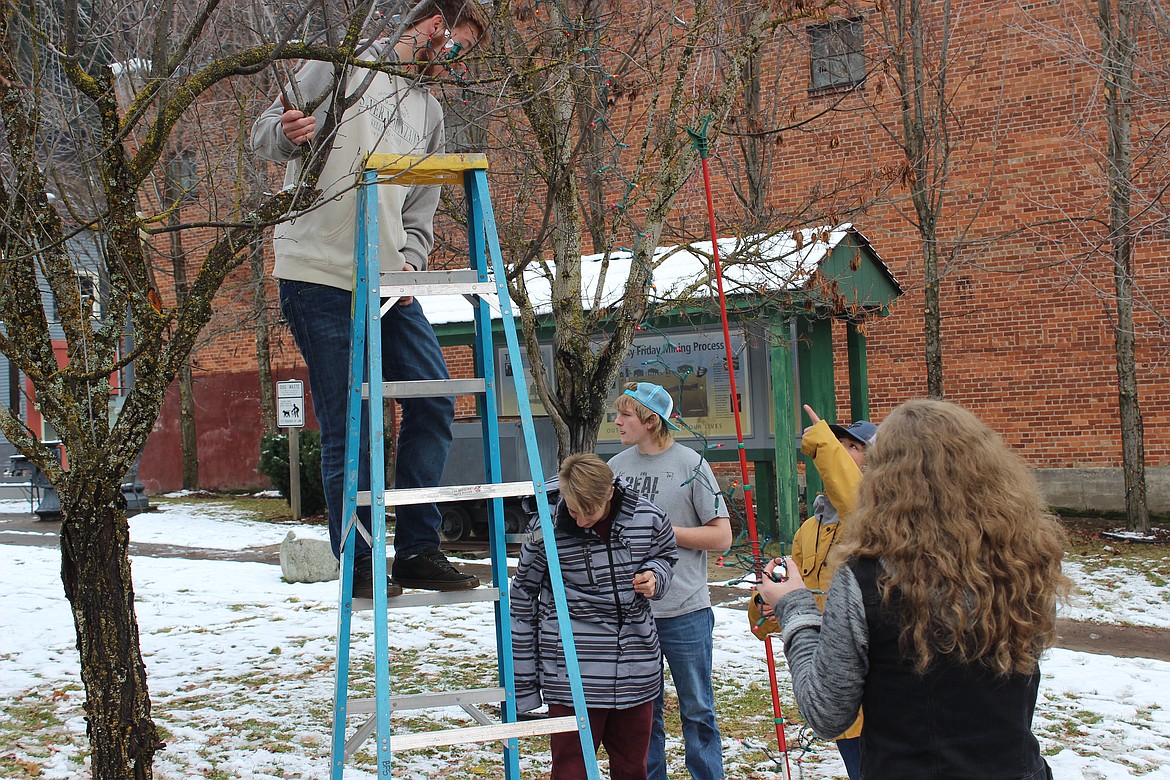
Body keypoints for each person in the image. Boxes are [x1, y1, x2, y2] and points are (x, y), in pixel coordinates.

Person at [250, 1, 488, 598]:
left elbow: (420, 210)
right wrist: (285, 132)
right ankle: (356, 559)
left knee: (434, 399)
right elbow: (264, 133)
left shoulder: (429, 110)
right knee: (349, 419)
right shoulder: (344, 64)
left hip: (386, 284)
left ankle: (416, 548)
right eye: (457, 45)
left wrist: (409, 263)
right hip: (319, 272)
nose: (456, 61)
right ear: (434, 27)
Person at [757, 399, 1070, 780]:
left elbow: (825, 711)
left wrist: (795, 607)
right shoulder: (1024, 563)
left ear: (884, 476)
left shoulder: (866, 578)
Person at [510, 453, 678, 780]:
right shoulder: (544, 528)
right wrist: (525, 684)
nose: (582, 520)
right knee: (572, 770)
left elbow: (666, 557)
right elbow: (522, 595)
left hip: (636, 670)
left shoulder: (648, 517)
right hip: (573, 675)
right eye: (574, 511)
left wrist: (655, 577)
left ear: (610, 494)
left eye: (590, 512)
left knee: (632, 768)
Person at [608, 382, 731, 780]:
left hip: (685, 612)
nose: (617, 421)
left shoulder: (691, 464)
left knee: (697, 710)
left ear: (650, 420)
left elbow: (722, 537)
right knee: (645, 716)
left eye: (625, 414)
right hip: (631, 616)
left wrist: (662, 532)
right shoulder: (615, 468)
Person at [758, 405, 877, 777]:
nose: (840, 451)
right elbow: (793, 600)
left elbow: (858, 503)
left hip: (881, 690)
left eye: (851, 448)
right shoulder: (810, 528)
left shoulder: (881, 519)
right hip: (835, 688)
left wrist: (824, 444)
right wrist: (767, 605)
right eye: (838, 445)